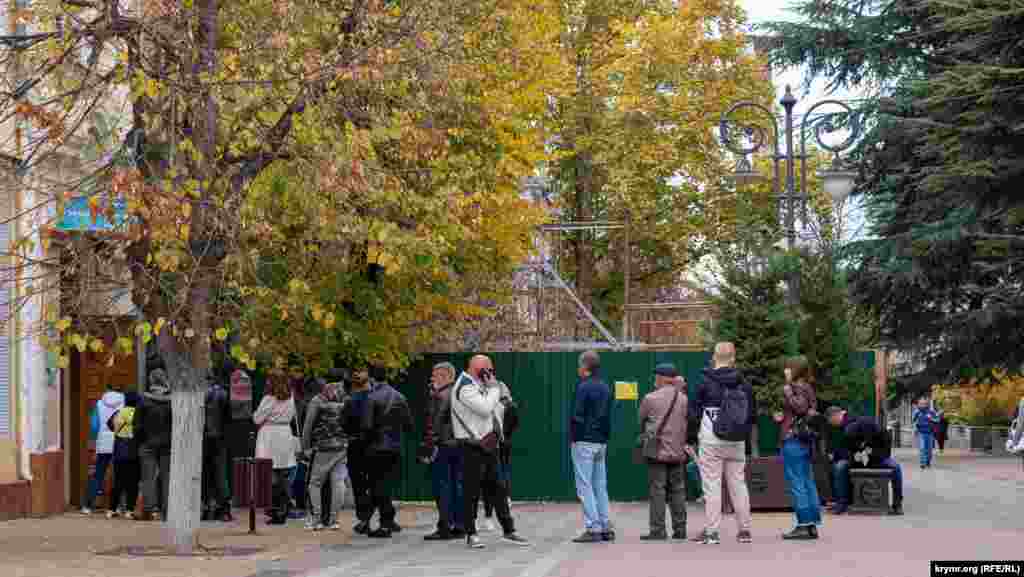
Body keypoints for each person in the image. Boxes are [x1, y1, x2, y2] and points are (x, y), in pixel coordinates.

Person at [453, 355, 529, 549]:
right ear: (478, 368)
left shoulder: (479, 385)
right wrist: (494, 388)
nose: (492, 373)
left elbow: (496, 410)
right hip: (471, 446)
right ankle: (471, 534)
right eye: (489, 369)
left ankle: (509, 530)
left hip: (488, 444)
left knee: (498, 488)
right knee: (471, 491)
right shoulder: (465, 387)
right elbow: (485, 408)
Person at [689, 342, 756, 545]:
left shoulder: (704, 382)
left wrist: (690, 438)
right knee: (738, 484)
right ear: (733, 358)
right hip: (736, 440)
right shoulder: (744, 385)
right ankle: (744, 530)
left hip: (711, 439)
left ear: (714, 357)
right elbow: (751, 416)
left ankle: (712, 532)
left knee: (712, 485)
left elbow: (693, 414)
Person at [361, 367, 414, 538]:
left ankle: (384, 524)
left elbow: (367, 426)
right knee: (386, 485)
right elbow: (409, 425)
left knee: (378, 485)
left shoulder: (371, 398)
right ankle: (386, 520)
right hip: (395, 447)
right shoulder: (400, 397)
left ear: (372, 379)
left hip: (376, 448)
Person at [638, 364, 689, 541]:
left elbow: (641, 420)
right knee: (678, 489)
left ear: (660, 378)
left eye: (656, 377)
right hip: (677, 452)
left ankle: (658, 530)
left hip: (657, 451)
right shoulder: (683, 399)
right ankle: (680, 529)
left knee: (657, 490)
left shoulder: (650, 398)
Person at [568, 350, 615, 543]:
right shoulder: (605, 387)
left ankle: (593, 527)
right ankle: (606, 526)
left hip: (584, 440)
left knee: (584, 485)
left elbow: (577, 415)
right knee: (600, 486)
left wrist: (574, 437)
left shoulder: (583, 387)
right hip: (601, 441)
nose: (578, 368)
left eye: (579, 365)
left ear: (585, 366)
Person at [773, 355, 821, 540]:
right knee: (807, 481)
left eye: (788, 367)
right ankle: (812, 524)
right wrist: (782, 417)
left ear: (794, 369)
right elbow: (801, 411)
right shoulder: (808, 387)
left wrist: (787, 388)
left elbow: (800, 408)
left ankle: (803, 524)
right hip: (805, 440)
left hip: (793, 440)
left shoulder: (795, 388)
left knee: (797, 482)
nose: (785, 370)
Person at [824, 407, 903, 515]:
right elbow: (847, 450)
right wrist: (855, 456)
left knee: (896, 467)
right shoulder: (850, 432)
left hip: (877, 460)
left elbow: (885, 453)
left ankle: (897, 504)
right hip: (857, 460)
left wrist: (871, 453)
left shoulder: (882, 433)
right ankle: (841, 503)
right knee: (840, 467)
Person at [421, 362, 466, 541]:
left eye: (435, 375)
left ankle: (445, 526)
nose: (432, 378)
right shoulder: (459, 393)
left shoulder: (440, 396)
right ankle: (460, 525)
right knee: (457, 486)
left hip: (443, 446)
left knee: (442, 487)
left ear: (445, 376)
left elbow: (434, 423)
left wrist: (428, 448)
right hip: (459, 445)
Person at [301, 380, 349, 531]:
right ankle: (334, 520)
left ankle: (317, 520)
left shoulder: (318, 400)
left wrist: (305, 447)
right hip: (342, 446)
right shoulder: (345, 398)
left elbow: (308, 425)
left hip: (322, 447)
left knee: (314, 483)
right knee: (338, 482)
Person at [254, 373, 298, 525]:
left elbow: (257, 418)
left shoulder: (268, 399)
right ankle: (284, 508)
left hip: (269, 436)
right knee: (283, 474)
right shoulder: (291, 398)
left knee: (269, 474)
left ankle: (274, 509)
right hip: (285, 434)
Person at [81, 385, 125, 515]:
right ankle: (117, 507)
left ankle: (87, 505)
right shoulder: (124, 403)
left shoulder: (99, 404)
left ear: (107, 391)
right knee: (119, 475)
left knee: (98, 474)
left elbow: (94, 426)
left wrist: (93, 442)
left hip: (103, 442)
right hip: (120, 442)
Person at [136, 369, 172, 521]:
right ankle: (167, 510)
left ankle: (148, 510)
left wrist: (140, 441)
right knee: (167, 478)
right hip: (167, 444)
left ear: (151, 381)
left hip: (148, 443)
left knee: (148, 477)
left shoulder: (144, 400)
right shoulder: (171, 401)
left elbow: (137, 425)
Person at [344, 366, 374, 535]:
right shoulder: (375, 398)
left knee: (358, 484)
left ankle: (363, 518)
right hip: (373, 443)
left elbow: (343, 423)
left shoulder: (350, 401)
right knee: (374, 481)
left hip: (355, 444)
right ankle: (377, 516)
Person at [202, 372, 233, 522]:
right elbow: (228, 419)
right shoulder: (223, 394)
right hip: (220, 439)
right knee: (221, 474)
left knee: (205, 474)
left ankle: (207, 507)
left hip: (203, 439)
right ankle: (224, 508)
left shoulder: (199, 395)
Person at [106, 392, 140, 519]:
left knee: (118, 481)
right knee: (133, 482)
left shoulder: (119, 412)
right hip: (133, 451)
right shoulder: (138, 413)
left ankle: (111, 509)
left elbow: (110, 425)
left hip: (119, 451)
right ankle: (129, 510)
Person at [912, 397, 938, 469]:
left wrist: (931, 418)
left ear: (926, 404)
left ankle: (927, 461)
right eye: (920, 404)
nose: (922, 405)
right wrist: (915, 429)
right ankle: (922, 463)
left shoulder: (931, 412)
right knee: (922, 448)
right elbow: (913, 421)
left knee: (929, 450)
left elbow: (937, 420)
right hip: (921, 433)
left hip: (930, 433)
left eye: (924, 404)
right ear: (918, 404)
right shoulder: (917, 412)